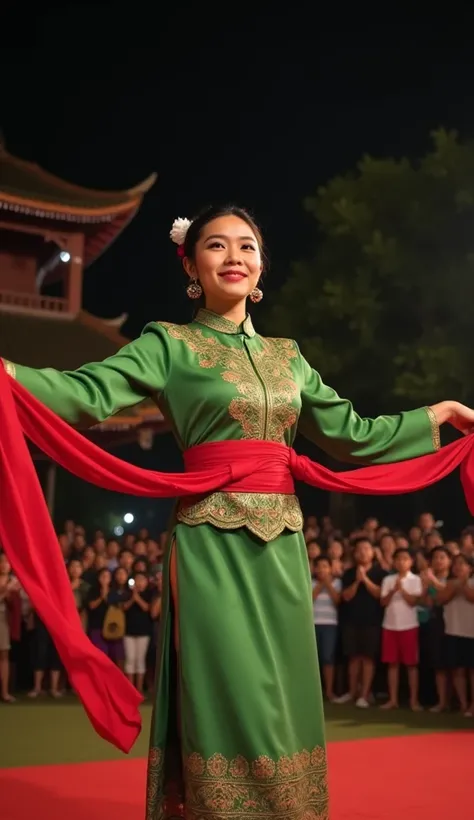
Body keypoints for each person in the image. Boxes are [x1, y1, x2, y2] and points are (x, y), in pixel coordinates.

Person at [3, 204, 474, 820]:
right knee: (227, 696)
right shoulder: (167, 343)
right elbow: (89, 394)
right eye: (217, 246)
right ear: (192, 265)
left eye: (246, 247)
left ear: (261, 268)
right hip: (209, 543)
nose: (234, 257)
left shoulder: (289, 356)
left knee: (283, 697)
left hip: (281, 546)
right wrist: (8, 374)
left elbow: (353, 432)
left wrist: (433, 417)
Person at [380, 547, 423, 710]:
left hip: (409, 626)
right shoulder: (388, 579)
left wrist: (402, 589)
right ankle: (393, 699)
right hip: (389, 625)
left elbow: (413, 602)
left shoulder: (415, 580)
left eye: (405, 559)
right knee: (392, 664)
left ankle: (413, 700)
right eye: (398, 559)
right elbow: (383, 602)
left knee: (411, 665)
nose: (401, 562)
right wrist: (393, 590)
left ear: (411, 562)